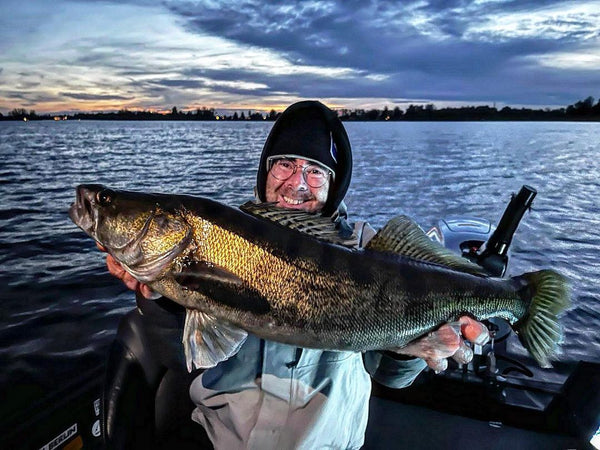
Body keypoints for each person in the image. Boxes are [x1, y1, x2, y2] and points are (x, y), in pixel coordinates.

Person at [102, 101, 489, 449]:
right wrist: (153, 298)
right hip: (221, 440)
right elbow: (178, 355)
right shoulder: (218, 239)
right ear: (266, 170)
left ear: (334, 183)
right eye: (285, 163)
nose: (296, 184)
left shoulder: (370, 253)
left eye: (315, 171)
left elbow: (392, 376)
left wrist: (424, 345)